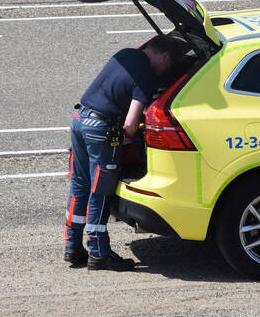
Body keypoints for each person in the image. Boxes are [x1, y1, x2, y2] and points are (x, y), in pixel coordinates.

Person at [63, 35, 182, 270]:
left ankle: (72, 245)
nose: (166, 70)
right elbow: (129, 124)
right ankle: (98, 252)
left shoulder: (126, 54)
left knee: (80, 184)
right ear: (166, 57)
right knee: (101, 189)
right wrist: (129, 140)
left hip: (79, 119)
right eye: (169, 64)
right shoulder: (146, 77)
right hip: (103, 128)